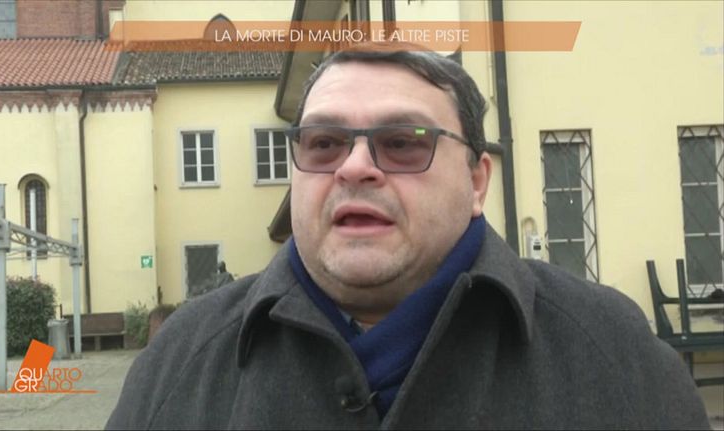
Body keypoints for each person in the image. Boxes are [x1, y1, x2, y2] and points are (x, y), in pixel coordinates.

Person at [106, 42, 709, 429]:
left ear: (477, 181)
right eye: (323, 143)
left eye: (402, 143)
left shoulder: (613, 355)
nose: (353, 167)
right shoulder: (180, 363)